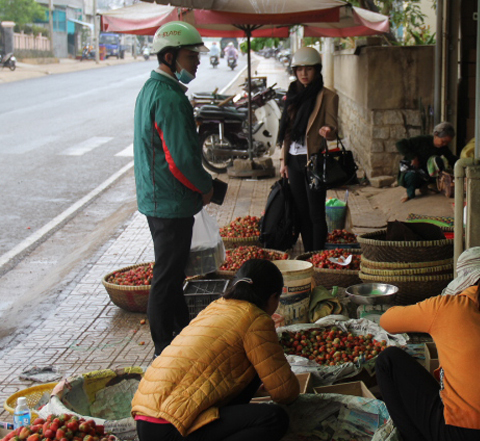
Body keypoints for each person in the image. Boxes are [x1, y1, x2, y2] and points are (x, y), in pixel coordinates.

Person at [375, 246, 480, 441]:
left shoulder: (446, 307)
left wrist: (432, 308)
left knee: (388, 360)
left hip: (464, 433)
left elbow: (387, 321)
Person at [132, 259, 300, 441]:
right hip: (171, 427)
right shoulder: (256, 320)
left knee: (252, 369)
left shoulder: (215, 307)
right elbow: (285, 393)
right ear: (273, 297)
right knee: (274, 418)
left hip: (146, 416)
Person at [133, 21, 214, 357]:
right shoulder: (168, 97)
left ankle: (180, 334)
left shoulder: (152, 91)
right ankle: (163, 345)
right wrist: (206, 186)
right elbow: (179, 160)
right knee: (166, 275)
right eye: (190, 55)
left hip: (159, 198)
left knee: (172, 270)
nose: (196, 61)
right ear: (169, 56)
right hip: (170, 201)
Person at [277, 47, 338, 252]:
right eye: (299, 69)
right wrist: (283, 162)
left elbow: (333, 129)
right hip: (293, 160)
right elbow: (286, 131)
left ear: (317, 70)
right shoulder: (292, 94)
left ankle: (317, 253)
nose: (303, 73)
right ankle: (308, 254)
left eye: (309, 69)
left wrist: (327, 131)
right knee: (301, 211)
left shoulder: (327, 95)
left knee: (316, 213)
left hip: (314, 161)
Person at [396, 121, 458, 203]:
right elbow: (400, 144)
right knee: (412, 178)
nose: (444, 144)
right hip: (414, 171)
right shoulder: (422, 140)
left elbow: (451, 158)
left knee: (440, 164)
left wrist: (462, 162)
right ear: (436, 135)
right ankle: (409, 192)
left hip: (427, 174)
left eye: (447, 143)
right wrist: (413, 157)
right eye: (443, 141)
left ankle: (426, 187)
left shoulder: (443, 149)